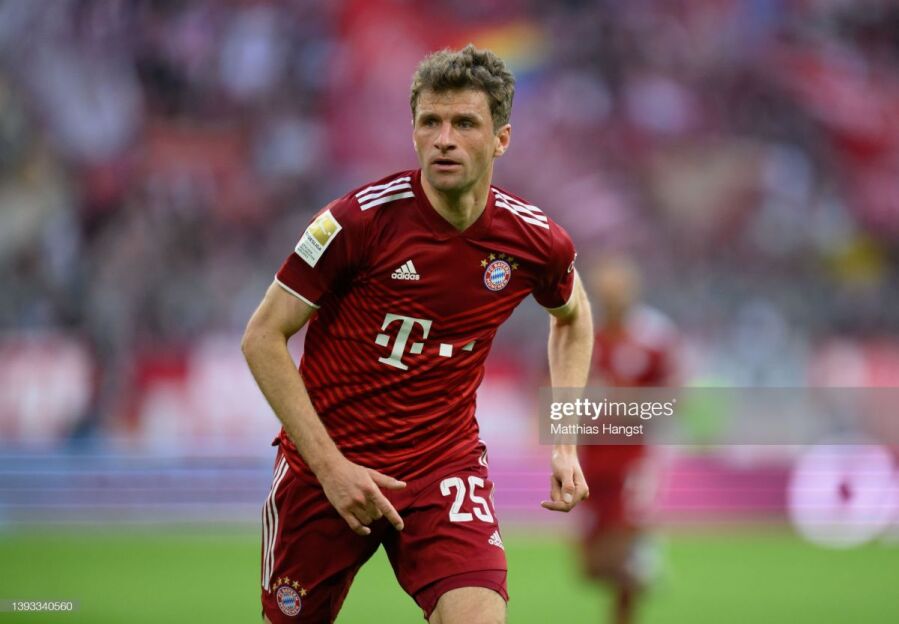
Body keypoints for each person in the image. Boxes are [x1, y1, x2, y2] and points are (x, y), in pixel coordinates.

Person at [241, 45, 593, 624]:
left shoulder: (534, 240)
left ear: (501, 139)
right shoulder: (356, 221)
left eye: (464, 124)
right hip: (326, 471)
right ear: (413, 132)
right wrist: (331, 468)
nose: (444, 140)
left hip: (441, 467)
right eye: (430, 122)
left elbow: (573, 317)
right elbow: (262, 337)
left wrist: (565, 442)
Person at [578, 256, 679, 624]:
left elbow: (673, 397)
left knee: (621, 555)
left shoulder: (653, 338)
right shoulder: (585, 333)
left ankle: (637, 561)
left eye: (617, 291)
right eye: (605, 292)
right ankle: (642, 562)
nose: (611, 299)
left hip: (633, 458)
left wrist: (625, 406)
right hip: (591, 458)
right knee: (591, 567)